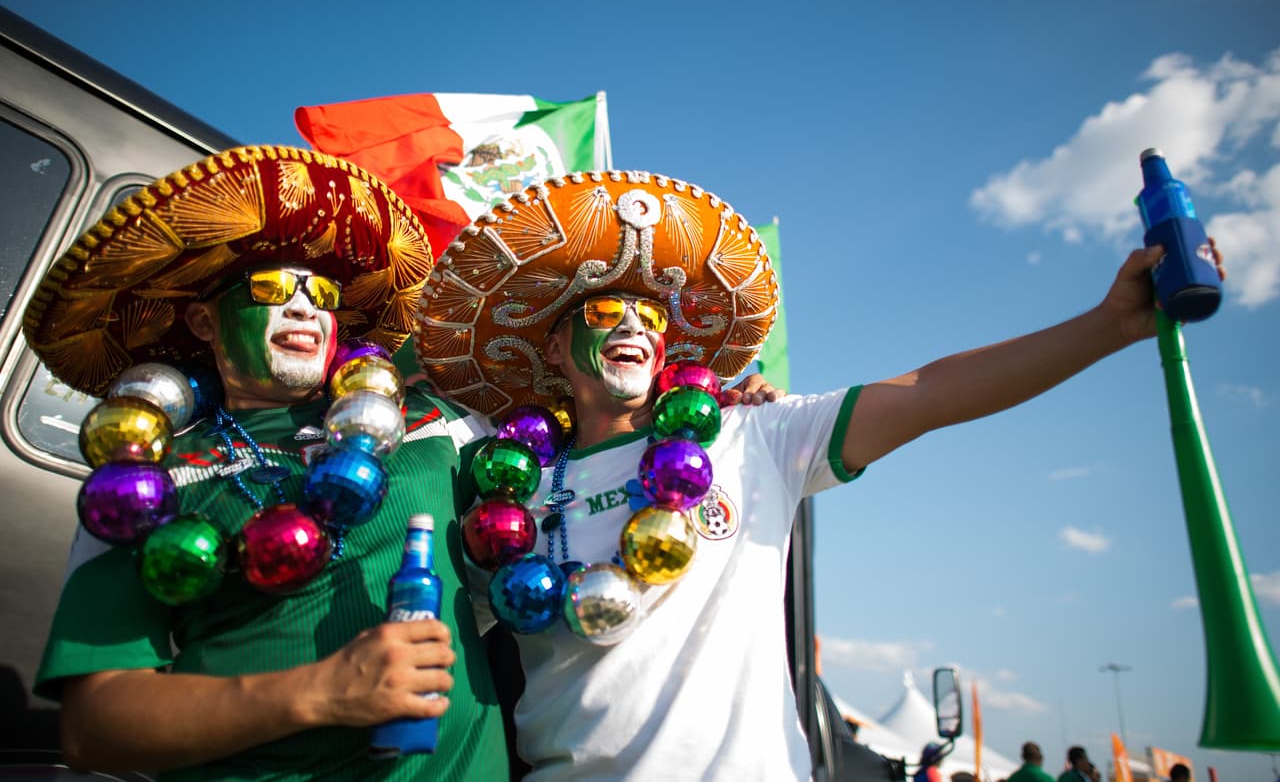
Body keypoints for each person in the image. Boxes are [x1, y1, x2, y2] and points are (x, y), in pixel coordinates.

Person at [414, 169, 1226, 780]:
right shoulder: (509, 495)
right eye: (600, 311)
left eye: (650, 315)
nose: (630, 322)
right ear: (554, 349)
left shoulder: (754, 437)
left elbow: (932, 393)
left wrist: (1106, 327)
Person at [24, 146, 508, 780]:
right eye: (273, 287)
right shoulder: (145, 482)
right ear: (203, 320)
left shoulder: (431, 424)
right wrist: (320, 692)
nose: (305, 306)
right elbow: (93, 729)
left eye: (322, 292)